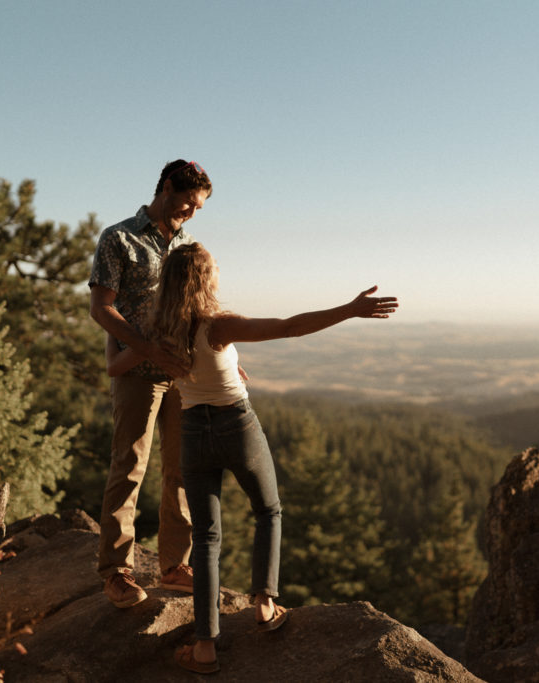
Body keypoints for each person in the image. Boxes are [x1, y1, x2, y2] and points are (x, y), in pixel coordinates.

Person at [107, 242, 399, 674]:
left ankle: (205, 649)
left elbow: (116, 366)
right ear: (205, 281)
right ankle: (265, 606)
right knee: (268, 510)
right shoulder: (218, 324)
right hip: (236, 425)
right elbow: (290, 326)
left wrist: (120, 334)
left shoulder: (156, 332)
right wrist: (350, 309)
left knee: (206, 538)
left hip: (193, 431)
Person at [88, 160, 212, 608]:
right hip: (139, 372)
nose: (192, 212)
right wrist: (146, 348)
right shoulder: (118, 237)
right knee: (130, 466)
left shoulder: (190, 244)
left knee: (182, 471)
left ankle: (174, 566)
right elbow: (102, 309)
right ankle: (116, 571)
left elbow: (201, 306)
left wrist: (223, 358)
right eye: (187, 202)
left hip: (184, 372)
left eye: (199, 207)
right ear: (165, 187)